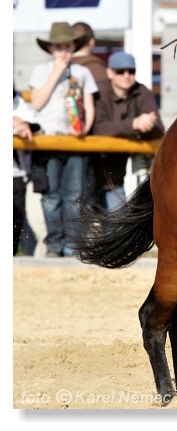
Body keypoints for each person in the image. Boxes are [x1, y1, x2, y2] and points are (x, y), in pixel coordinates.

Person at [29, 22, 98, 257]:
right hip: (47, 141)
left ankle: (72, 245)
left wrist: (84, 129)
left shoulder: (83, 73)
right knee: (51, 197)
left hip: (74, 142)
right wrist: (57, 72)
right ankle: (54, 243)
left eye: (67, 46)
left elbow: (89, 107)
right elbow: (36, 103)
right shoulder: (40, 71)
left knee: (75, 196)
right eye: (59, 47)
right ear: (51, 49)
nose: (64, 52)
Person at [92, 52, 165, 210]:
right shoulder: (98, 92)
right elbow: (98, 128)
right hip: (88, 175)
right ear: (110, 73)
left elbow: (158, 128)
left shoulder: (141, 91)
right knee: (77, 229)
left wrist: (145, 127)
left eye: (131, 71)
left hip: (114, 180)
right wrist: (133, 125)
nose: (127, 75)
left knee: (116, 228)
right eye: (120, 71)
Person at [71, 21, 108, 207]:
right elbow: (105, 108)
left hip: (58, 142)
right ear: (91, 42)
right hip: (94, 142)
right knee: (87, 197)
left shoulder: (59, 67)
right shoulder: (98, 69)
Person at [13, 89, 39, 256]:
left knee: (16, 222)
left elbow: (36, 124)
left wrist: (23, 125)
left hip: (15, 175)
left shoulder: (17, 100)